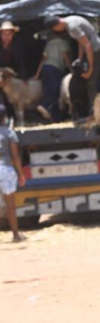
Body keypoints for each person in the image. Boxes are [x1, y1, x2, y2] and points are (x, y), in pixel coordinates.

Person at [42, 15, 100, 109]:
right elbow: (81, 42)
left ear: (56, 26)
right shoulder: (70, 21)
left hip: (95, 50)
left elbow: (88, 45)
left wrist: (90, 68)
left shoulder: (72, 27)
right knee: (84, 80)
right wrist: (79, 58)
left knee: (91, 82)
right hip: (91, 50)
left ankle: (95, 111)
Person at [0, 104, 26, 242]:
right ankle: (16, 235)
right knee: (10, 205)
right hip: (5, 170)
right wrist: (21, 174)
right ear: (4, 117)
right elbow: (15, 156)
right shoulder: (9, 134)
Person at [32, 33, 72, 122]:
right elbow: (65, 57)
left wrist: (37, 74)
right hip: (55, 69)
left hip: (45, 69)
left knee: (47, 93)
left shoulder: (49, 43)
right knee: (55, 93)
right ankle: (44, 106)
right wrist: (71, 70)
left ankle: (53, 118)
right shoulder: (64, 43)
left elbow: (43, 59)